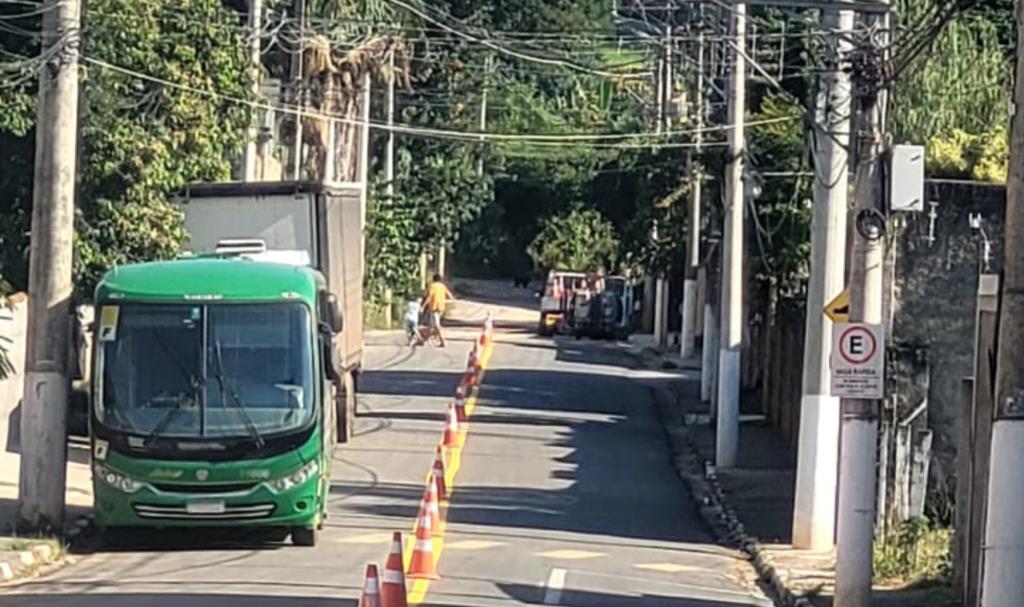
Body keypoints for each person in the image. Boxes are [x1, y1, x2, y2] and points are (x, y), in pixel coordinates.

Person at [422, 274, 455, 347]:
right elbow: (450, 295)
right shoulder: (442, 286)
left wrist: (423, 306)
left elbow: (429, 296)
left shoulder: (432, 286)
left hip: (434, 308)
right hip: (441, 308)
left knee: (436, 325)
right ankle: (426, 340)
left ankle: (442, 341)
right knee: (431, 325)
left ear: (433, 279)